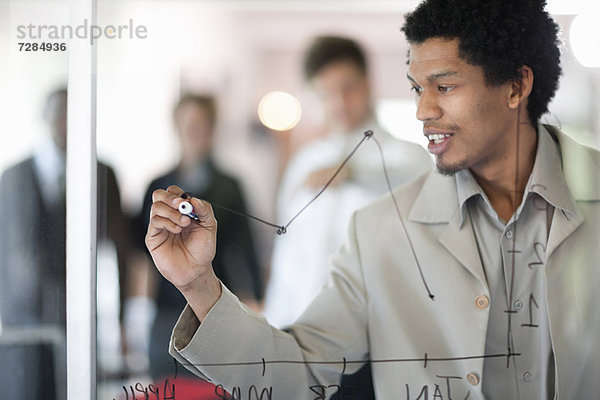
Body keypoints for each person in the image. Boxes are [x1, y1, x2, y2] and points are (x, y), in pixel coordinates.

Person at [146, 0, 600, 398]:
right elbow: (297, 373)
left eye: (444, 86)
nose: (423, 111)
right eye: (417, 88)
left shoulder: (397, 164)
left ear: (517, 87)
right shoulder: (377, 229)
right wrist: (199, 286)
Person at [262, 35, 431, 399]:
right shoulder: (302, 165)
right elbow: (288, 256)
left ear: (368, 83)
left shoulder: (409, 160)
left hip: (376, 351)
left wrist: (352, 174)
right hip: (300, 345)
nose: (339, 103)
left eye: (347, 88)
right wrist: (274, 334)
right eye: (326, 93)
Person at [0, 88, 130, 400]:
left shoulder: (103, 174)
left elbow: (120, 249)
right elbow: (9, 253)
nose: (66, 122)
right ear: (45, 118)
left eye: (74, 114)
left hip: (82, 316)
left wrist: (121, 319)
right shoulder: (14, 177)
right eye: (59, 112)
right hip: (23, 322)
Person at [134, 94, 263, 380]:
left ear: (212, 128)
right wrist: (134, 310)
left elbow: (247, 247)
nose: (193, 131)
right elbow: (140, 251)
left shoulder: (230, 185)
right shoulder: (157, 186)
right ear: (176, 127)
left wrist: (257, 301)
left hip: (215, 304)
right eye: (186, 124)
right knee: (167, 384)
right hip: (166, 305)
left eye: (200, 124)